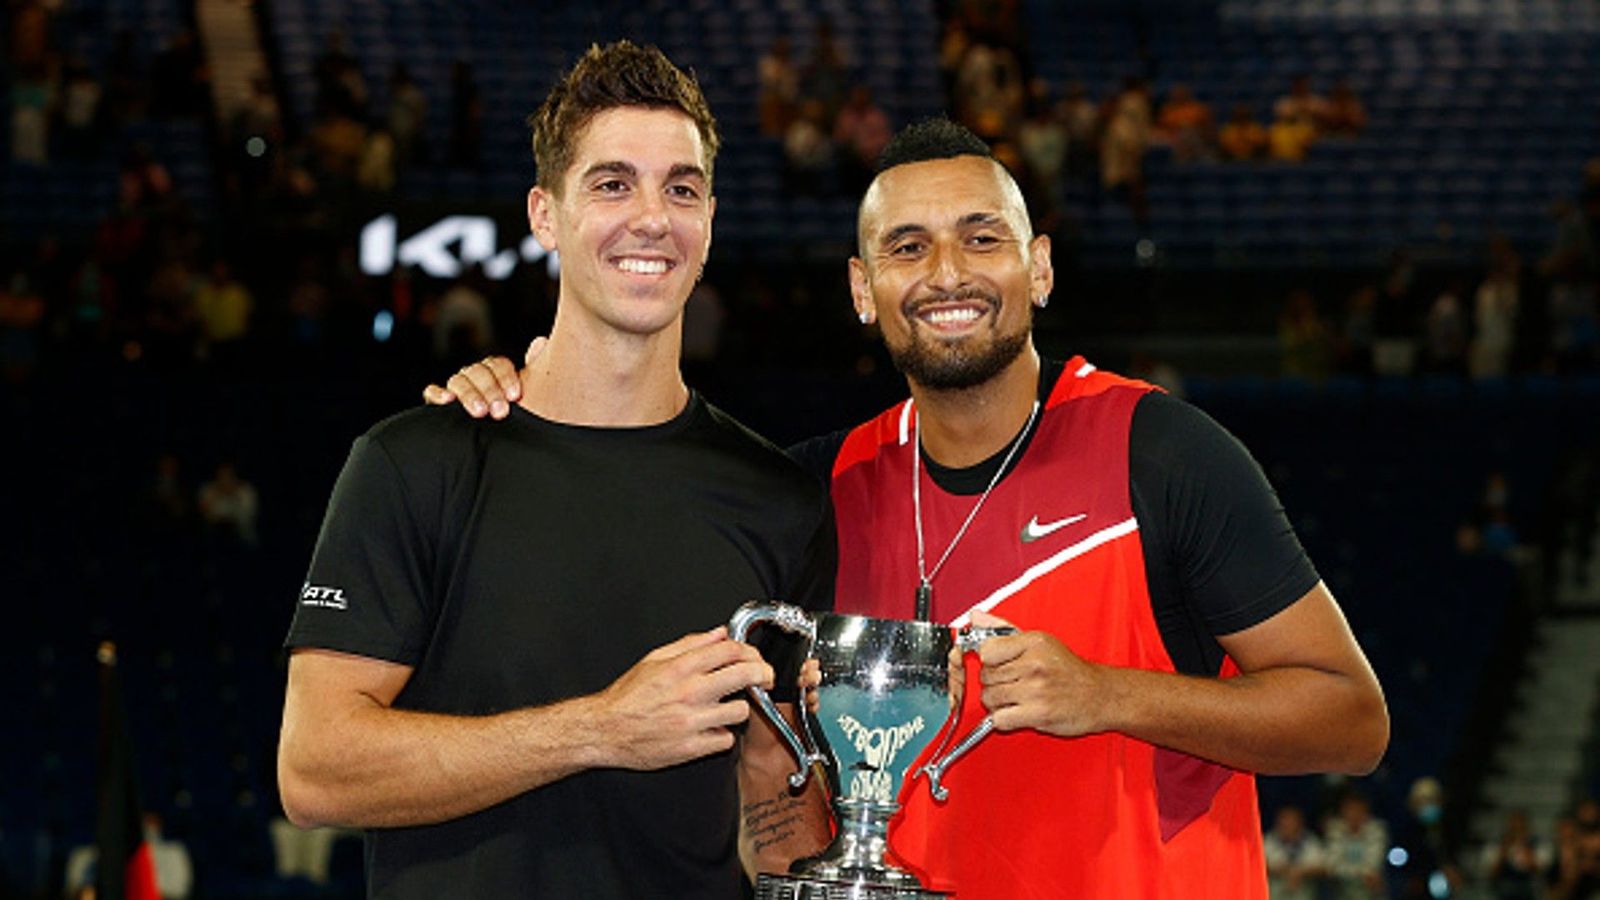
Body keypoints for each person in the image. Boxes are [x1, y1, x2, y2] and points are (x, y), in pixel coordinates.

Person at [431, 118, 1389, 898]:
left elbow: (1351, 721)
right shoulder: (819, 490)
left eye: (983, 238)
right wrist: (517, 394)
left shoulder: (1162, 454)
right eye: (907, 247)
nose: (947, 275)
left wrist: (1108, 694)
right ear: (863, 288)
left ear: (1039, 268)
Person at [278, 42, 834, 900]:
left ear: (711, 222)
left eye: (681, 189)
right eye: (613, 184)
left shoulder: (780, 500)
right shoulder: (414, 462)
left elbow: (772, 783)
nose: (651, 217)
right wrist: (603, 729)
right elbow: (315, 772)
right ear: (545, 214)